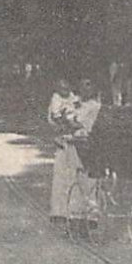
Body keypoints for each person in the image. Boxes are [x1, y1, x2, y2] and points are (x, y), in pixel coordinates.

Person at [47, 79, 86, 223]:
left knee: (74, 175)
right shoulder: (55, 99)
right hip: (63, 139)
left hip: (73, 139)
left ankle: (73, 211)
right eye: (61, 87)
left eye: (66, 86)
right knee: (61, 176)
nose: (64, 89)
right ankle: (59, 212)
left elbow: (78, 110)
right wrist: (66, 123)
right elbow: (55, 117)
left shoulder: (73, 97)